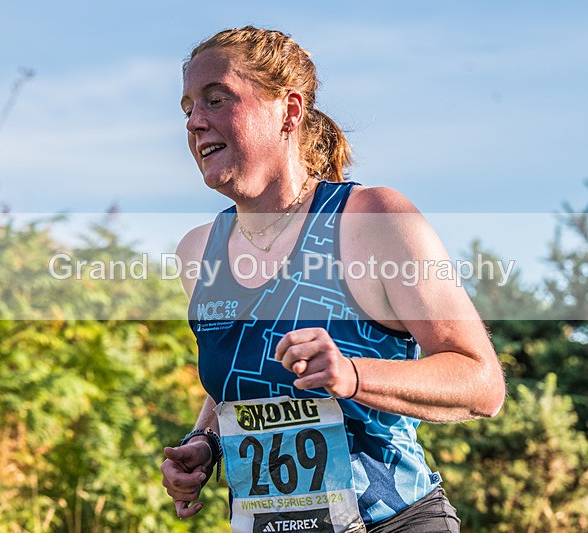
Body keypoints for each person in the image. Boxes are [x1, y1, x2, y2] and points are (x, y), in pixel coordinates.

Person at [161, 26, 506, 533]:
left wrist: (352, 374)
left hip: (395, 522)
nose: (195, 121)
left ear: (289, 111)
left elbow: (480, 382)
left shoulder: (373, 220)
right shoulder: (197, 251)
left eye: (217, 99)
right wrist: (205, 443)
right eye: (188, 107)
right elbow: (244, 375)